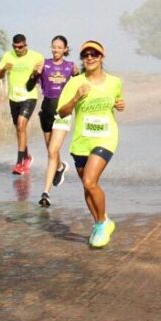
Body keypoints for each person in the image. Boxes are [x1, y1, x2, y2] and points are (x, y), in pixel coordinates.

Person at [56, 40, 125, 248]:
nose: (90, 58)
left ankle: (103, 222)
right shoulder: (74, 83)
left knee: (89, 181)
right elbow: (62, 112)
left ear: (101, 57)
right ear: (82, 59)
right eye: (85, 55)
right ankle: (99, 223)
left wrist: (120, 105)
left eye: (94, 54)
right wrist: (76, 97)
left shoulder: (114, 82)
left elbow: (118, 100)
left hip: (106, 137)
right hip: (81, 142)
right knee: (87, 187)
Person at [31, 35, 78, 208]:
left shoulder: (71, 67)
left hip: (63, 113)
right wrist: (33, 73)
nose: (56, 50)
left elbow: (82, 81)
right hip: (46, 111)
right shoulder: (44, 64)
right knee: (50, 149)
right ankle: (60, 167)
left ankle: (45, 193)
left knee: (52, 151)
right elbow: (30, 86)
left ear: (65, 49)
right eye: (53, 47)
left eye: (59, 47)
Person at [0, 34, 45, 175]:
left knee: (21, 124)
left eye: (20, 47)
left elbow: (44, 74)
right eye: (15, 47)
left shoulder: (37, 57)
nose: (17, 50)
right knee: (19, 128)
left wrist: (37, 72)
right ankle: (27, 156)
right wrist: (4, 68)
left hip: (29, 96)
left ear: (25, 45)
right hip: (13, 98)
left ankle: (20, 163)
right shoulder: (7, 56)